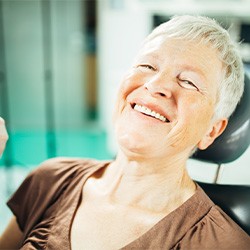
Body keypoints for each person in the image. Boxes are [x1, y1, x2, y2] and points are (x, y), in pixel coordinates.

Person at [0, 15, 250, 249]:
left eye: (188, 82)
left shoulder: (221, 242)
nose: (155, 85)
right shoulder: (50, 180)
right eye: (147, 66)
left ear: (212, 131)